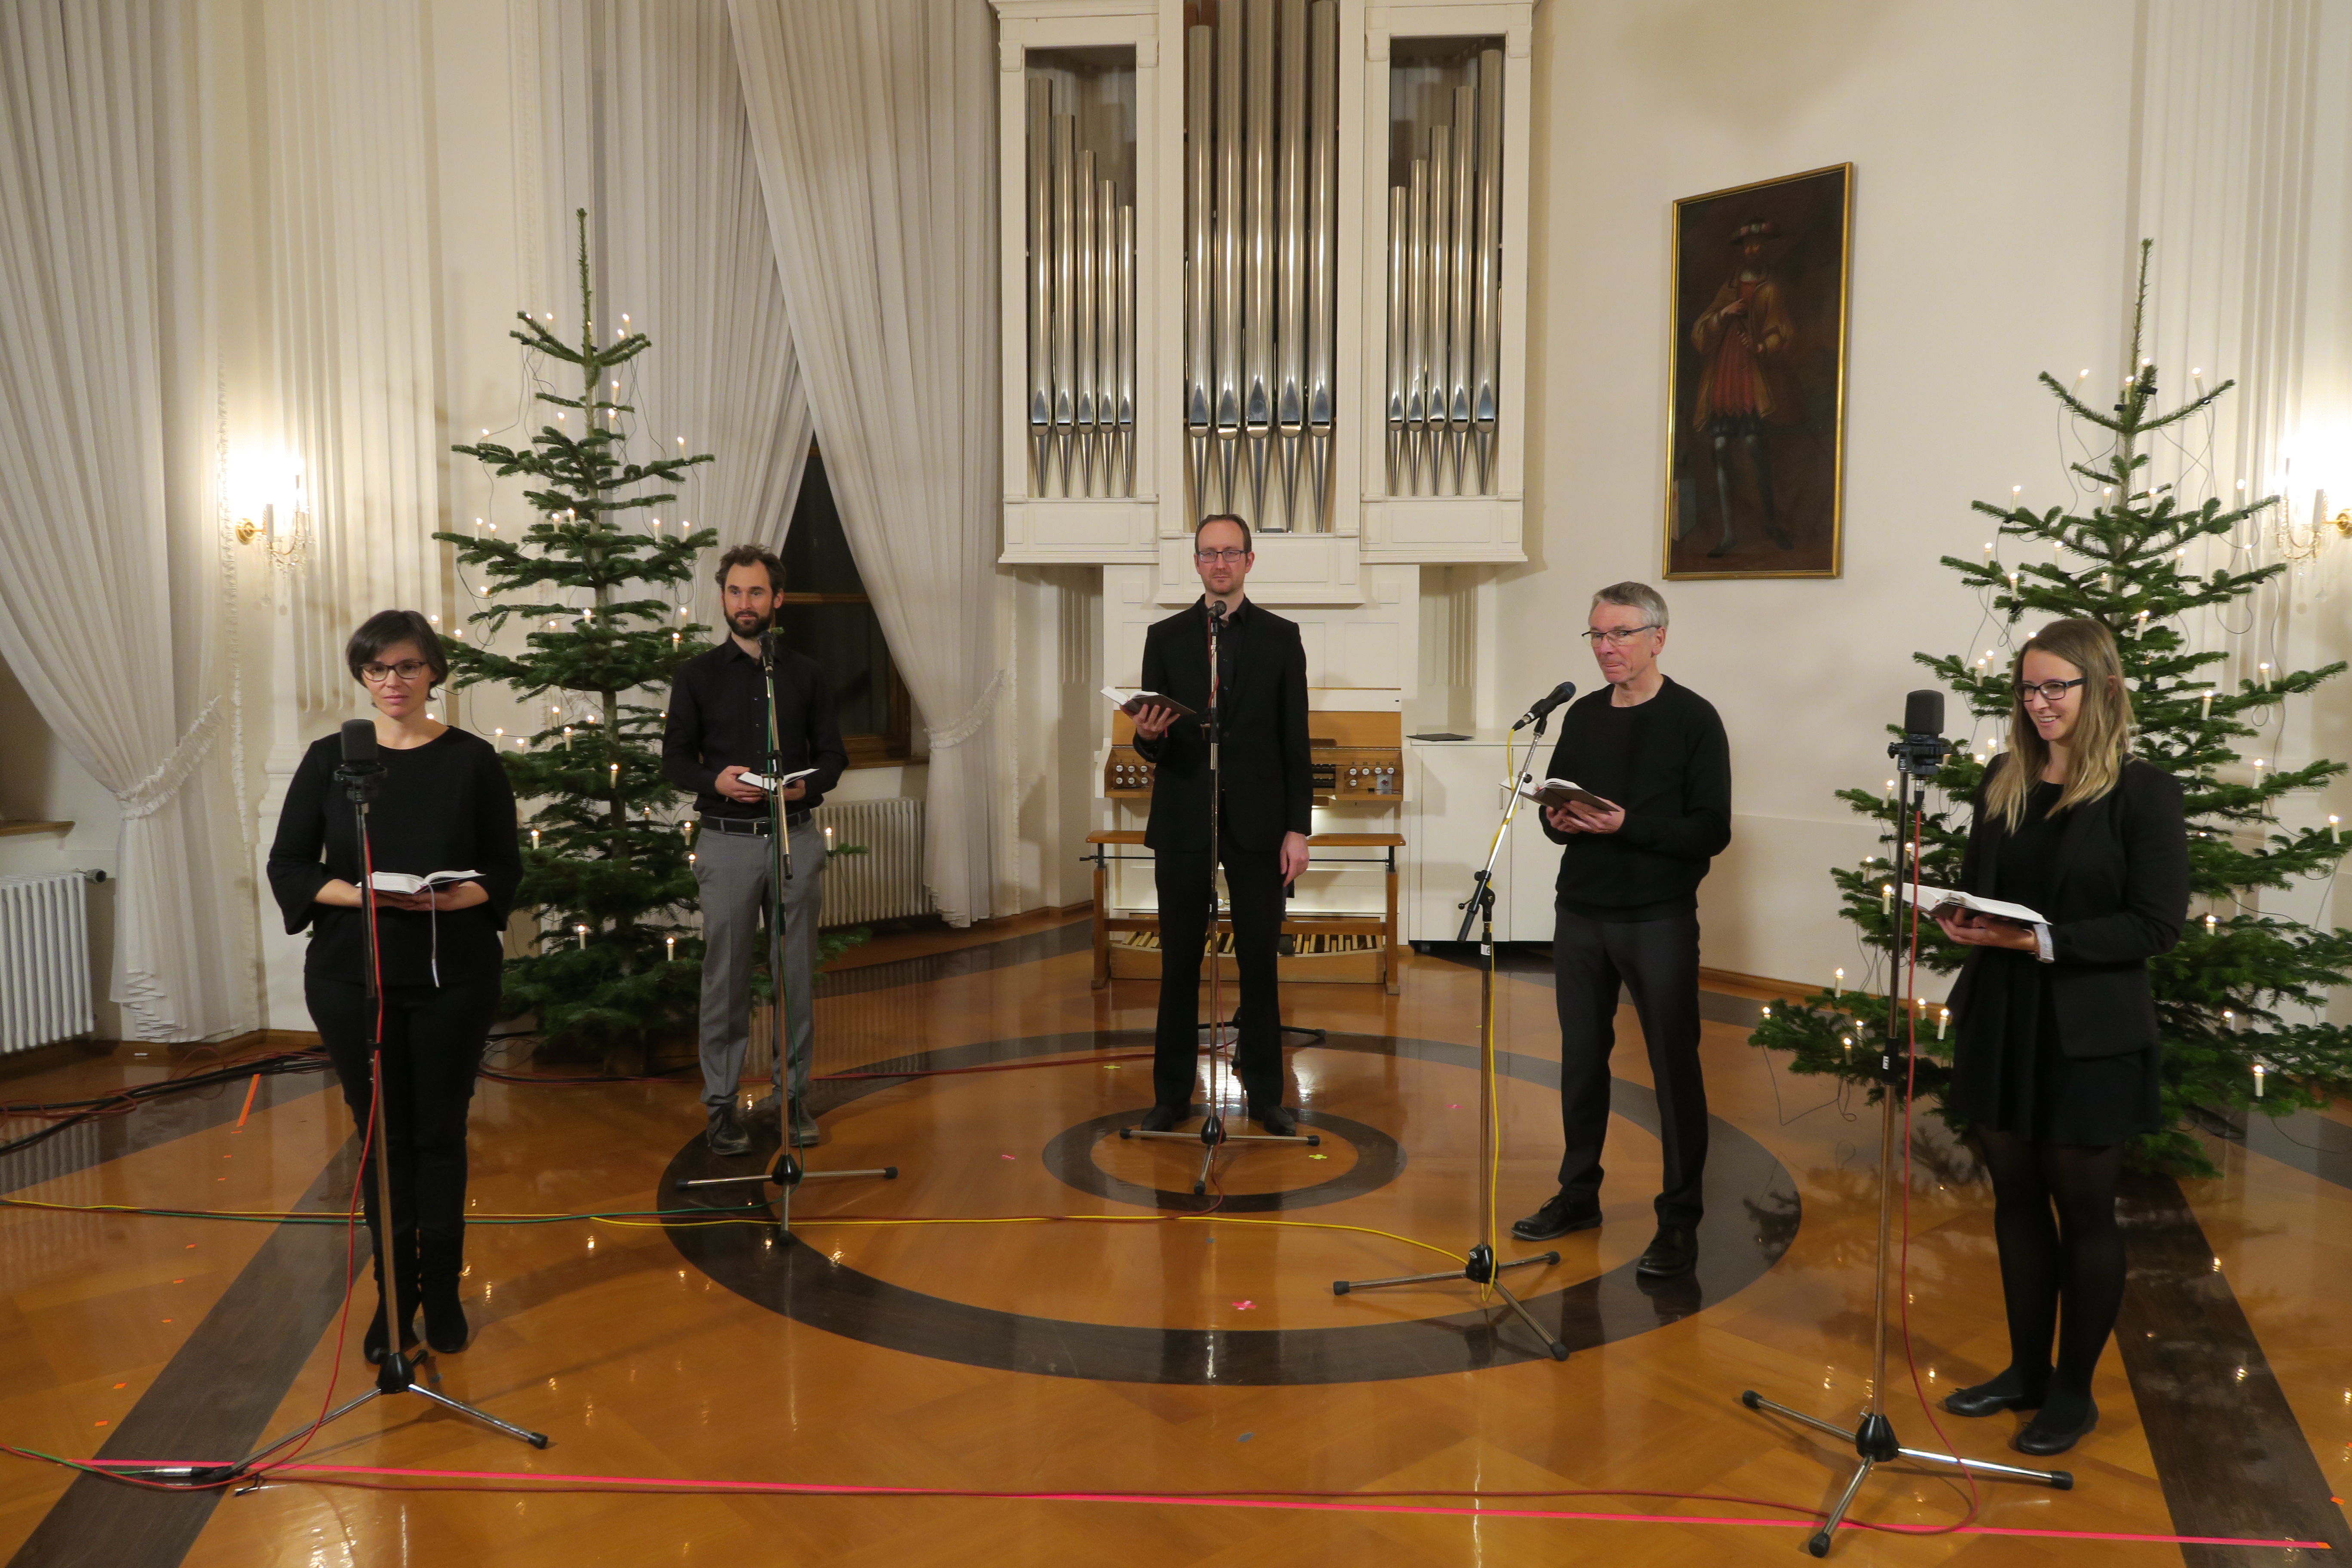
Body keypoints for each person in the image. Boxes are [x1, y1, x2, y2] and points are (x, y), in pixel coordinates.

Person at [1933, 618, 2187, 1457]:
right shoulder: (2004, 779)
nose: (2039, 703)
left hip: (2089, 1028)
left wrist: (2041, 940)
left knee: (2084, 1210)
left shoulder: (2143, 793)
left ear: (2102, 688)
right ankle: (2024, 1371)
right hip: (2001, 1016)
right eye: (2028, 689)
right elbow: (1982, 887)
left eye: (2056, 688)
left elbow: (2154, 924)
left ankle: (2073, 1392)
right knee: (2013, 1197)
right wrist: (1963, 919)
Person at [266, 610, 521, 1362]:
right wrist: (361, 895)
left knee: (438, 1134)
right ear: (363, 676)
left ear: (433, 671)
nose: (393, 681)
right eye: (378, 669)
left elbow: (503, 867)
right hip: (353, 975)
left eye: (407, 666)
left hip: (452, 973)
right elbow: (289, 865)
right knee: (383, 1138)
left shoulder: (471, 759)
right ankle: (393, 1299)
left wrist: (453, 898)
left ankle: (441, 1293)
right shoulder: (330, 760)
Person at [1511, 582, 1730, 1279]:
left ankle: (1679, 1221)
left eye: (1620, 634)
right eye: (1597, 635)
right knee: (1581, 1062)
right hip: (1580, 911)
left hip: (1657, 918)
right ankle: (1578, 1195)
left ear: (1657, 638)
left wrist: (1627, 825)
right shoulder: (1582, 715)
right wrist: (1558, 819)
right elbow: (1557, 808)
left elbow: (1711, 830)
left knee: (1673, 1068)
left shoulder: (1694, 719)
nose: (1606, 647)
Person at [1130, 514, 1312, 1136]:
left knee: (1259, 960)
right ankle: (1171, 1095)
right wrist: (1148, 737)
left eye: (1231, 552)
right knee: (1179, 959)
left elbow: (1295, 739)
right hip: (1185, 815)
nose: (1220, 563)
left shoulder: (1281, 637)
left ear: (1249, 561)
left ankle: (1265, 1095)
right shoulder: (1166, 636)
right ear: (1197, 563)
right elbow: (1152, 742)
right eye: (1209, 553)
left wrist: (1298, 829)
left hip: (1260, 821)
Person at [663, 542, 848, 1156]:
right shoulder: (696, 676)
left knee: (794, 975)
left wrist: (805, 786)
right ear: (724, 598)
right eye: (735, 591)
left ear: (777, 599)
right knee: (726, 980)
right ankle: (721, 1106)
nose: (745, 603)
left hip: (794, 837)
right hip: (727, 842)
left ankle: (791, 1097)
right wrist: (713, 781)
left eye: (757, 592)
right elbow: (674, 759)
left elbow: (833, 756)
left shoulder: (804, 674)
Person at [1688, 220, 1796, 556]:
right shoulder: (1729, 287)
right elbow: (1701, 330)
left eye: (1757, 244)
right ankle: (1729, 533)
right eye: (1747, 245)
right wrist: (1724, 313)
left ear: (1766, 247)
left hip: (1751, 375)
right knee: (1721, 447)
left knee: (1753, 444)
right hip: (1724, 373)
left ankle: (1770, 523)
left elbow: (1783, 331)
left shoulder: (1771, 289)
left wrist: (1762, 346)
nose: (1752, 250)